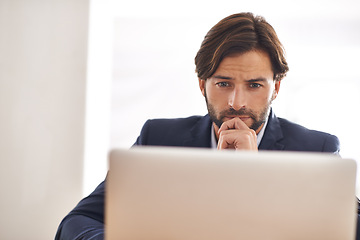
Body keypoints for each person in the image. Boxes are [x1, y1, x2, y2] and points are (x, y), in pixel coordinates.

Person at [55, 12, 360, 240]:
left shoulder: (317, 149)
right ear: (202, 84)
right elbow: (77, 221)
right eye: (223, 83)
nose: (235, 102)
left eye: (254, 85)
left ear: (276, 88)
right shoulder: (158, 138)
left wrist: (257, 178)